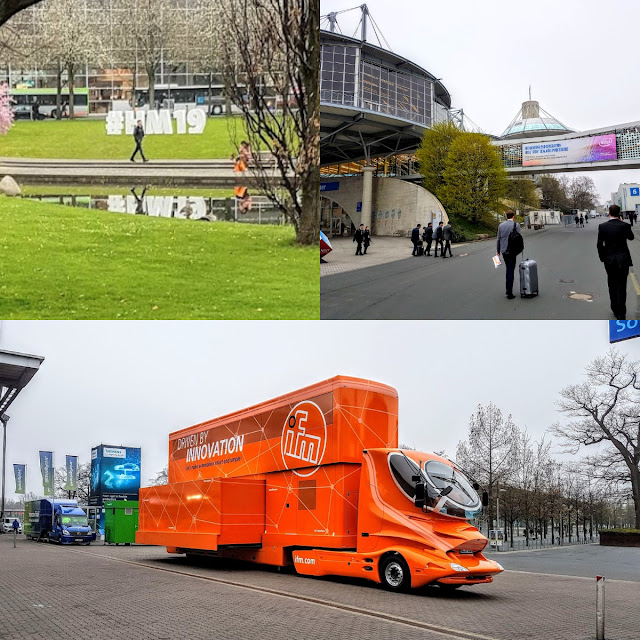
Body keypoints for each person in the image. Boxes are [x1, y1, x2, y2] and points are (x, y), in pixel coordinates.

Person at [597, 204, 634, 320]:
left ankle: (614, 308)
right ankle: (621, 313)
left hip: (609, 260)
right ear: (620, 213)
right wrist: (623, 223)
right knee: (622, 286)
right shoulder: (625, 226)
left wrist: (603, 258)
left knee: (612, 285)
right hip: (623, 260)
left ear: (609, 212)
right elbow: (631, 237)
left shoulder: (603, 226)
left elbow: (599, 245)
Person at [497, 211, 522, 299]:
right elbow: (518, 238)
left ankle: (508, 289)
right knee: (510, 270)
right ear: (513, 216)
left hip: (504, 251)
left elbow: (498, 239)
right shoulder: (516, 225)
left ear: (506, 217)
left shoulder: (501, 226)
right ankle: (509, 292)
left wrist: (498, 251)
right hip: (512, 251)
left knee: (508, 268)